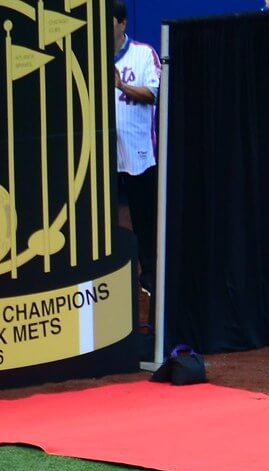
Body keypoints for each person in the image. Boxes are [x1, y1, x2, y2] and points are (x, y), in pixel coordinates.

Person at [113, 0, 161, 304]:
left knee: (144, 219)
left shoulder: (143, 53)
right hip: (105, 152)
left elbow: (154, 93)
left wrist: (121, 86)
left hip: (138, 151)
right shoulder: (90, 55)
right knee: (104, 222)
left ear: (122, 23)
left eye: (110, 23)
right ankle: (112, 277)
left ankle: (150, 276)